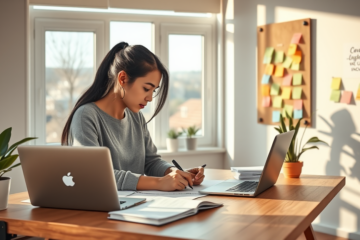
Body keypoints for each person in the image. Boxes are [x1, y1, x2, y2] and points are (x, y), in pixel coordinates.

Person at [61, 42, 205, 191]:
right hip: (103, 210)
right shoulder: (86, 116)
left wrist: (175, 173)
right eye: (146, 88)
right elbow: (95, 175)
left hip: (136, 204)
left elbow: (151, 162)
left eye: (153, 91)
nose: (150, 98)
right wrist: (159, 183)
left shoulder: (136, 117)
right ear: (122, 78)